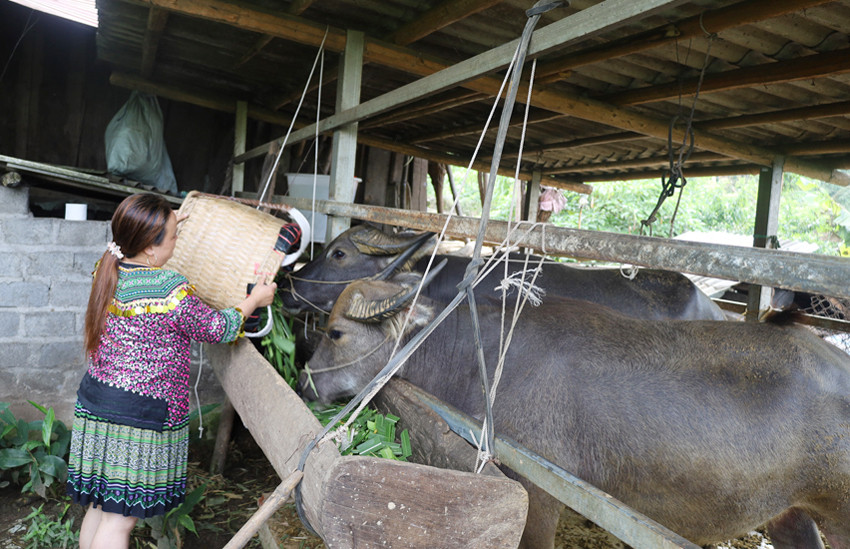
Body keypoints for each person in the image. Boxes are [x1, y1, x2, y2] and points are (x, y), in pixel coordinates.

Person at [66, 192, 277, 549]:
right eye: (174, 235)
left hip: (97, 404)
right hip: (139, 417)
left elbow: (137, 237)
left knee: (101, 507)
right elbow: (217, 328)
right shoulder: (169, 289)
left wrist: (164, 219)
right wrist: (255, 299)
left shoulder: (107, 268)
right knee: (120, 520)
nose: (178, 240)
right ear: (150, 247)